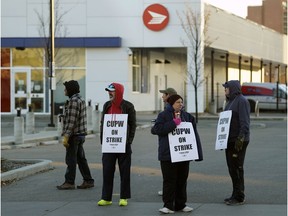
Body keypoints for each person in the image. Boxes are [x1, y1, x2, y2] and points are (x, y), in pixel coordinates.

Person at [151, 94, 203, 214]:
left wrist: (197, 153)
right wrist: (173, 123)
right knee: (169, 180)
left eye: (181, 102)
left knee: (182, 180)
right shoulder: (163, 115)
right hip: (168, 155)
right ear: (171, 104)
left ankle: (181, 204)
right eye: (178, 102)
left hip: (183, 154)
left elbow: (194, 135)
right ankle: (168, 205)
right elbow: (156, 130)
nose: (180, 104)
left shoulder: (188, 117)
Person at [98, 83, 137, 207]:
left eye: (112, 91)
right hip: (109, 144)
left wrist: (129, 141)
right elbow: (103, 123)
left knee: (124, 172)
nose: (109, 93)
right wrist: (103, 141)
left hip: (124, 145)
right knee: (107, 171)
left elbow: (133, 125)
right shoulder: (106, 105)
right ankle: (106, 198)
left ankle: (124, 197)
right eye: (108, 91)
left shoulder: (128, 106)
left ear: (119, 91)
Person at [57, 80, 94, 190]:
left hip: (74, 135)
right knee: (81, 159)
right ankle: (88, 180)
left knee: (71, 159)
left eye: (65, 89)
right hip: (80, 134)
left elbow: (72, 120)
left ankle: (69, 182)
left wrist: (66, 136)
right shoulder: (80, 99)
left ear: (70, 90)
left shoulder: (73, 101)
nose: (64, 91)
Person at [222, 80, 250, 205]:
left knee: (237, 167)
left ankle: (240, 196)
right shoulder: (230, 102)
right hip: (229, 140)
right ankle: (235, 193)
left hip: (238, 140)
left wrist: (240, 138)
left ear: (232, 88)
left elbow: (245, 122)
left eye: (226, 88)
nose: (225, 90)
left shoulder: (242, 101)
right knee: (232, 168)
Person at [157, 87, 177, 196]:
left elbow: (159, 129)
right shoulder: (168, 110)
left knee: (169, 172)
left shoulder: (168, 112)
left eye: (163, 94)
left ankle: (169, 192)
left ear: (168, 96)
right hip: (170, 147)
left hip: (169, 147)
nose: (162, 97)